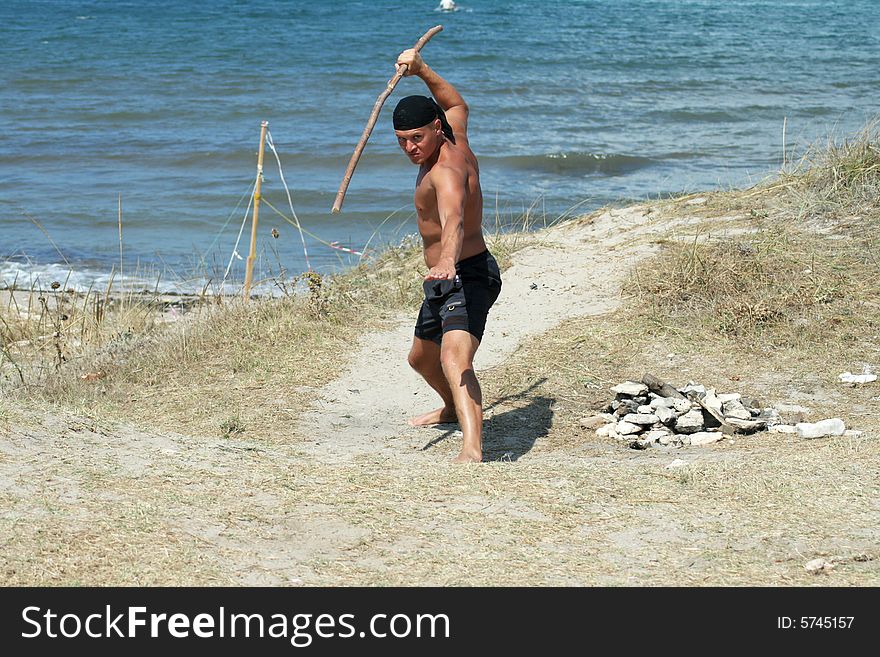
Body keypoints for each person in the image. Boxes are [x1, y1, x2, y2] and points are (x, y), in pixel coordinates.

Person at [393, 48, 502, 463]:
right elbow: (457, 102)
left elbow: (453, 220)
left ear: (435, 129)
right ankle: (453, 409)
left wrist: (445, 262)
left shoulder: (445, 173)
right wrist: (421, 70)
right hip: (443, 278)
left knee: (454, 356)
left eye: (417, 138)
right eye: (403, 141)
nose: (410, 148)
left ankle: (472, 449)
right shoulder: (454, 131)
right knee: (420, 359)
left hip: (466, 273)